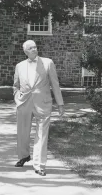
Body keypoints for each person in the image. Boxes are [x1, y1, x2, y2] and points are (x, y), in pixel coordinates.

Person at [13, 40, 64, 176]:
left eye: (35, 47)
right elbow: (16, 85)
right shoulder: (19, 66)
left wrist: (60, 104)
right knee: (22, 132)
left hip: (43, 103)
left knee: (42, 134)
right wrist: (17, 98)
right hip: (24, 103)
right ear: (25, 51)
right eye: (31, 48)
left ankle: (39, 165)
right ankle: (24, 156)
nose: (34, 49)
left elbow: (55, 84)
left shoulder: (48, 63)